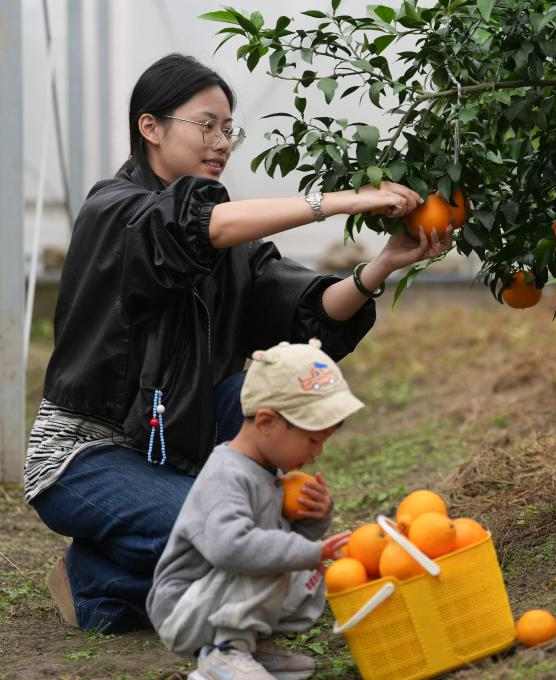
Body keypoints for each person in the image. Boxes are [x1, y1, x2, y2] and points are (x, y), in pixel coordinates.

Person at [24, 53, 451, 633]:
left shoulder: (227, 239)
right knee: (233, 544)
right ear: (150, 127)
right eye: (206, 125)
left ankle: (110, 564)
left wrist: (381, 266)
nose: (222, 141)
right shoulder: (114, 212)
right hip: (85, 456)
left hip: (176, 438)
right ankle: (94, 578)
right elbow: (191, 228)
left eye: (229, 129)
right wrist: (341, 200)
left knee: (275, 400)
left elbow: (304, 312)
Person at [148, 340, 359, 680]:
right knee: (270, 555)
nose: (318, 452)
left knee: (300, 566)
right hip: (185, 609)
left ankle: (247, 650)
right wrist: (309, 549)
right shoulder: (226, 475)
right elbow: (232, 548)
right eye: (312, 439)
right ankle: (224, 654)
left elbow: (280, 540)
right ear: (266, 422)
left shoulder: (269, 473)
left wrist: (314, 520)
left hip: (217, 602)